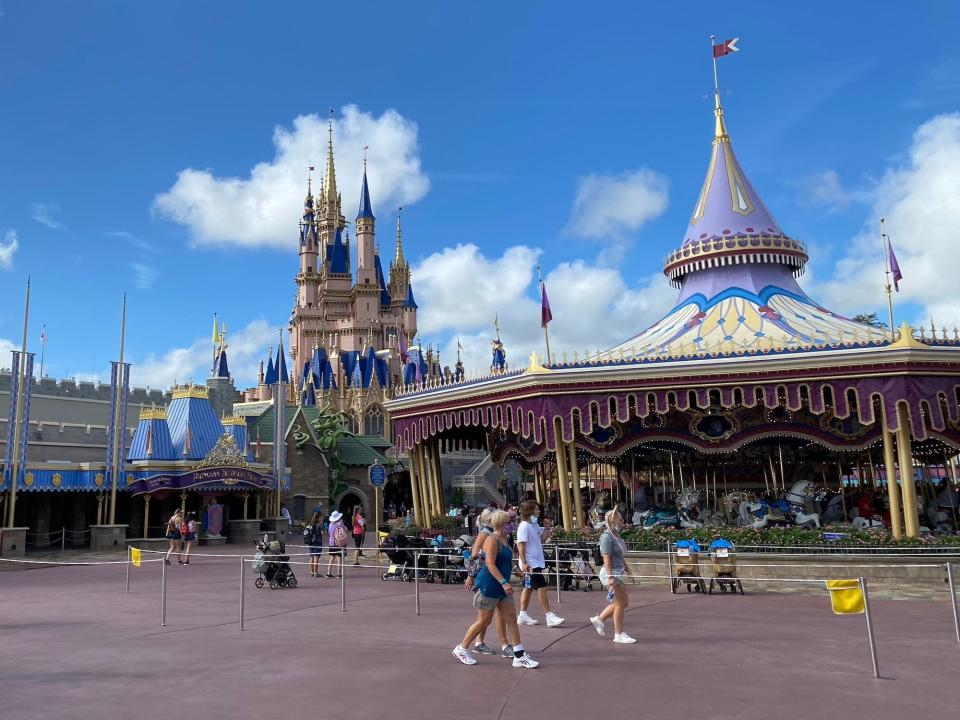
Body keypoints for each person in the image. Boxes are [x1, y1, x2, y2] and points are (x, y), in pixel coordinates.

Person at [452, 510, 539, 668]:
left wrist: (516, 571)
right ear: (501, 524)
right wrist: (504, 582)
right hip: (489, 584)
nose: (512, 525)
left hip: (501, 586)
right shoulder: (491, 539)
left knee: (511, 618)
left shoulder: (504, 539)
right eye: (509, 522)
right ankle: (461, 648)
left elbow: (505, 561)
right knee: (484, 621)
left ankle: (519, 655)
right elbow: (490, 564)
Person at [464, 508, 512, 658]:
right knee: (485, 617)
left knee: (491, 615)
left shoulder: (502, 536)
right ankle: (477, 643)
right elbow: (475, 554)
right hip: (486, 577)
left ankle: (500, 643)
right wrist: (471, 575)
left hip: (495, 577)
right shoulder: (487, 534)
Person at [590, 507, 636, 643]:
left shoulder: (616, 536)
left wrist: (628, 570)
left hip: (618, 572)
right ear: (613, 521)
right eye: (620, 520)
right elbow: (606, 558)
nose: (623, 522)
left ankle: (600, 619)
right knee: (621, 603)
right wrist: (610, 576)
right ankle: (619, 633)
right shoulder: (606, 537)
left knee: (622, 603)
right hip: (611, 573)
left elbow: (620, 556)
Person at [516, 500, 564, 628]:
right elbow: (521, 545)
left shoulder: (534, 525)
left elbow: (541, 540)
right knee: (542, 587)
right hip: (531, 563)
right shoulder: (524, 526)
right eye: (536, 509)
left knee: (529, 588)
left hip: (535, 561)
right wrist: (524, 563)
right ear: (530, 511)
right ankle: (549, 615)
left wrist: (547, 529)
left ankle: (522, 614)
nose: (539, 511)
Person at [326, 510, 348, 578]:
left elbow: (329, 533)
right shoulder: (340, 524)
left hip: (331, 542)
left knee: (332, 557)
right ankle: (339, 573)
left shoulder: (330, 524)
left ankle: (328, 573)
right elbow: (346, 530)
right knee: (339, 558)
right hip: (339, 542)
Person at [304, 512, 325, 578]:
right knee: (316, 557)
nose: (322, 518)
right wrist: (324, 532)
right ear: (319, 517)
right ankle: (316, 573)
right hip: (317, 542)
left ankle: (312, 572)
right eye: (322, 517)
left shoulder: (311, 523)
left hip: (310, 542)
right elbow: (322, 533)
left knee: (311, 557)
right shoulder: (320, 524)